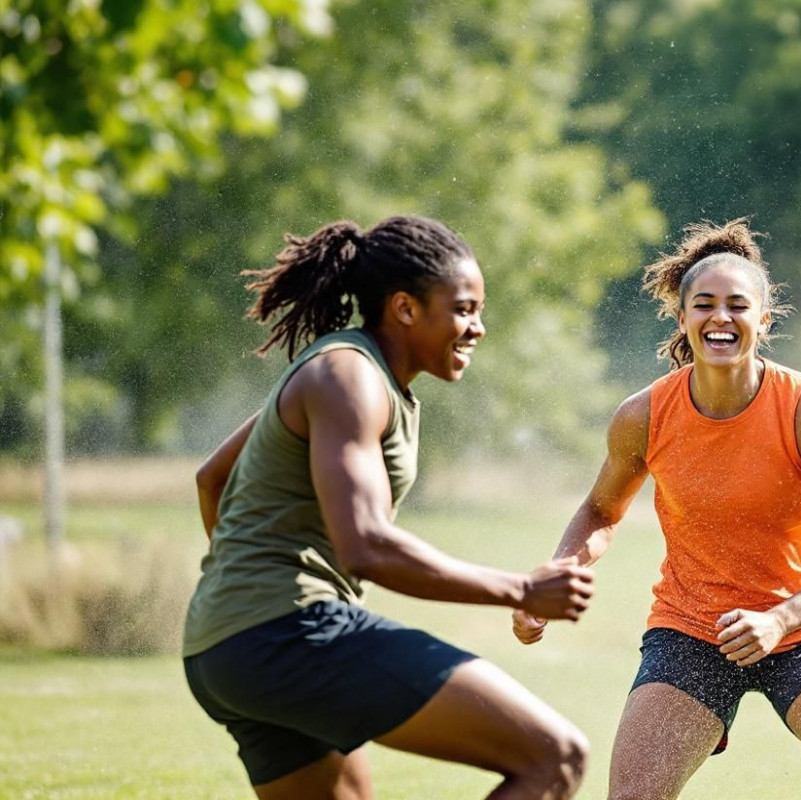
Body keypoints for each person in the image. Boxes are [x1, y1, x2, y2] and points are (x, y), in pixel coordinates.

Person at [183, 215, 596, 800]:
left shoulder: (348, 372)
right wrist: (521, 590)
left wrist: (245, 586)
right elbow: (367, 544)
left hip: (223, 647)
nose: (478, 328)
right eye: (463, 309)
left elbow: (212, 478)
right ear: (404, 308)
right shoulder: (348, 378)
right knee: (555, 758)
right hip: (289, 633)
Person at [512, 219, 801, 800]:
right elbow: (599, 510)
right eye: (705, 305)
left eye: (738, 305)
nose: (721, 317)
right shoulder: (644, 415)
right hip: (692, 631)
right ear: (683, 318)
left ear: (763, 321)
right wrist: (556, 575)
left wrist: (780, 620)